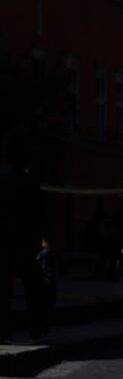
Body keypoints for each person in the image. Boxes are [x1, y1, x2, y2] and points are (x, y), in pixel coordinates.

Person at [0, 135, 48, 343]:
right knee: (32, 285)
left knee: (3, 287)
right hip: (26, 239)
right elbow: (38, 213)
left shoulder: (1, 178)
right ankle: (35, 329)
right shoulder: (30, 181)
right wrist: (42, 238)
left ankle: (3, 332)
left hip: (2, 238)